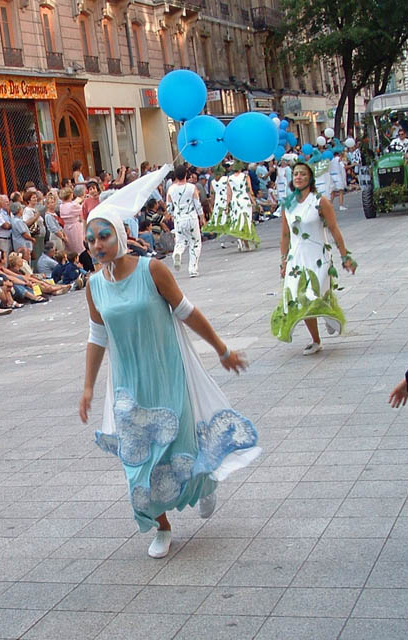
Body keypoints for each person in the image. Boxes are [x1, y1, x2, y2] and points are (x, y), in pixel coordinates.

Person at [80, 173, 260, 559]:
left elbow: (186, 312)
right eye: (91, 238)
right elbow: (98, 337)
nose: (97, 244)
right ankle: (160, 527)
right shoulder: (94, 286)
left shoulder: (151, 270)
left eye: (104, 235)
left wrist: (221, 348)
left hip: (166, 373)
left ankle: (205, 483)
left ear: (120, 235)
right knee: (138, 461)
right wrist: (88, 388)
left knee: (176, 448)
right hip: (129, 386)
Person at [271, 161, 357, 354]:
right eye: (295, 174)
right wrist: (283, 261)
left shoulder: (320, 201)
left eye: (302, 174)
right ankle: (315, 340)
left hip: (319, 257)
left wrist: (345, 256)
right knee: (299, 297)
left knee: (313, 294)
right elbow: (285, 235)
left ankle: (327, 315)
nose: (298, 177)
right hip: (296, 259)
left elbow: (334, 229)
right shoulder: (288, 205)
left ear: (309, 178)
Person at [166, 165, 204, 277]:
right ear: (186, 175)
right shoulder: (192, 188)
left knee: (180, 241)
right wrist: (202, 217)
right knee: (195, 243)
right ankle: (193, 268)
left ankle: (177, 253)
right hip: (191, 217)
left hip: (179, 219)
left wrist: (174, 215)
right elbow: (197, 204)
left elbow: (169, 207)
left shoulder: (171, 189)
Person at [227, 162, 260, 252]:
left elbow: (229, 193)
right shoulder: (245, 176)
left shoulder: (229, 178)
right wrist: (254, 202)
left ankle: (240, 239)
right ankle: (247, 242)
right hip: (244, 199)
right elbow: (249, 190)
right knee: (247, 220)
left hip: (235, 200)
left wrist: (227, 205)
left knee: (238, 220)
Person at [60, 186, 85, 255]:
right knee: (77, 245)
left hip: (66, 227)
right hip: (74, 227)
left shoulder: (61, 206)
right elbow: (82, 210)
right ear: (70, 195)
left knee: (70, 246)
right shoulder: (72, 206)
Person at [22, 190, 46, 264]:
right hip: (35, 236)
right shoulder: (27, 210)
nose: (35, 199)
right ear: (28, 200)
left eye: (36, 197)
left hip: (41, 235)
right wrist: (36, 217)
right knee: (37, 254)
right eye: (33, 198)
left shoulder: (35, 209)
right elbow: (26, 222)